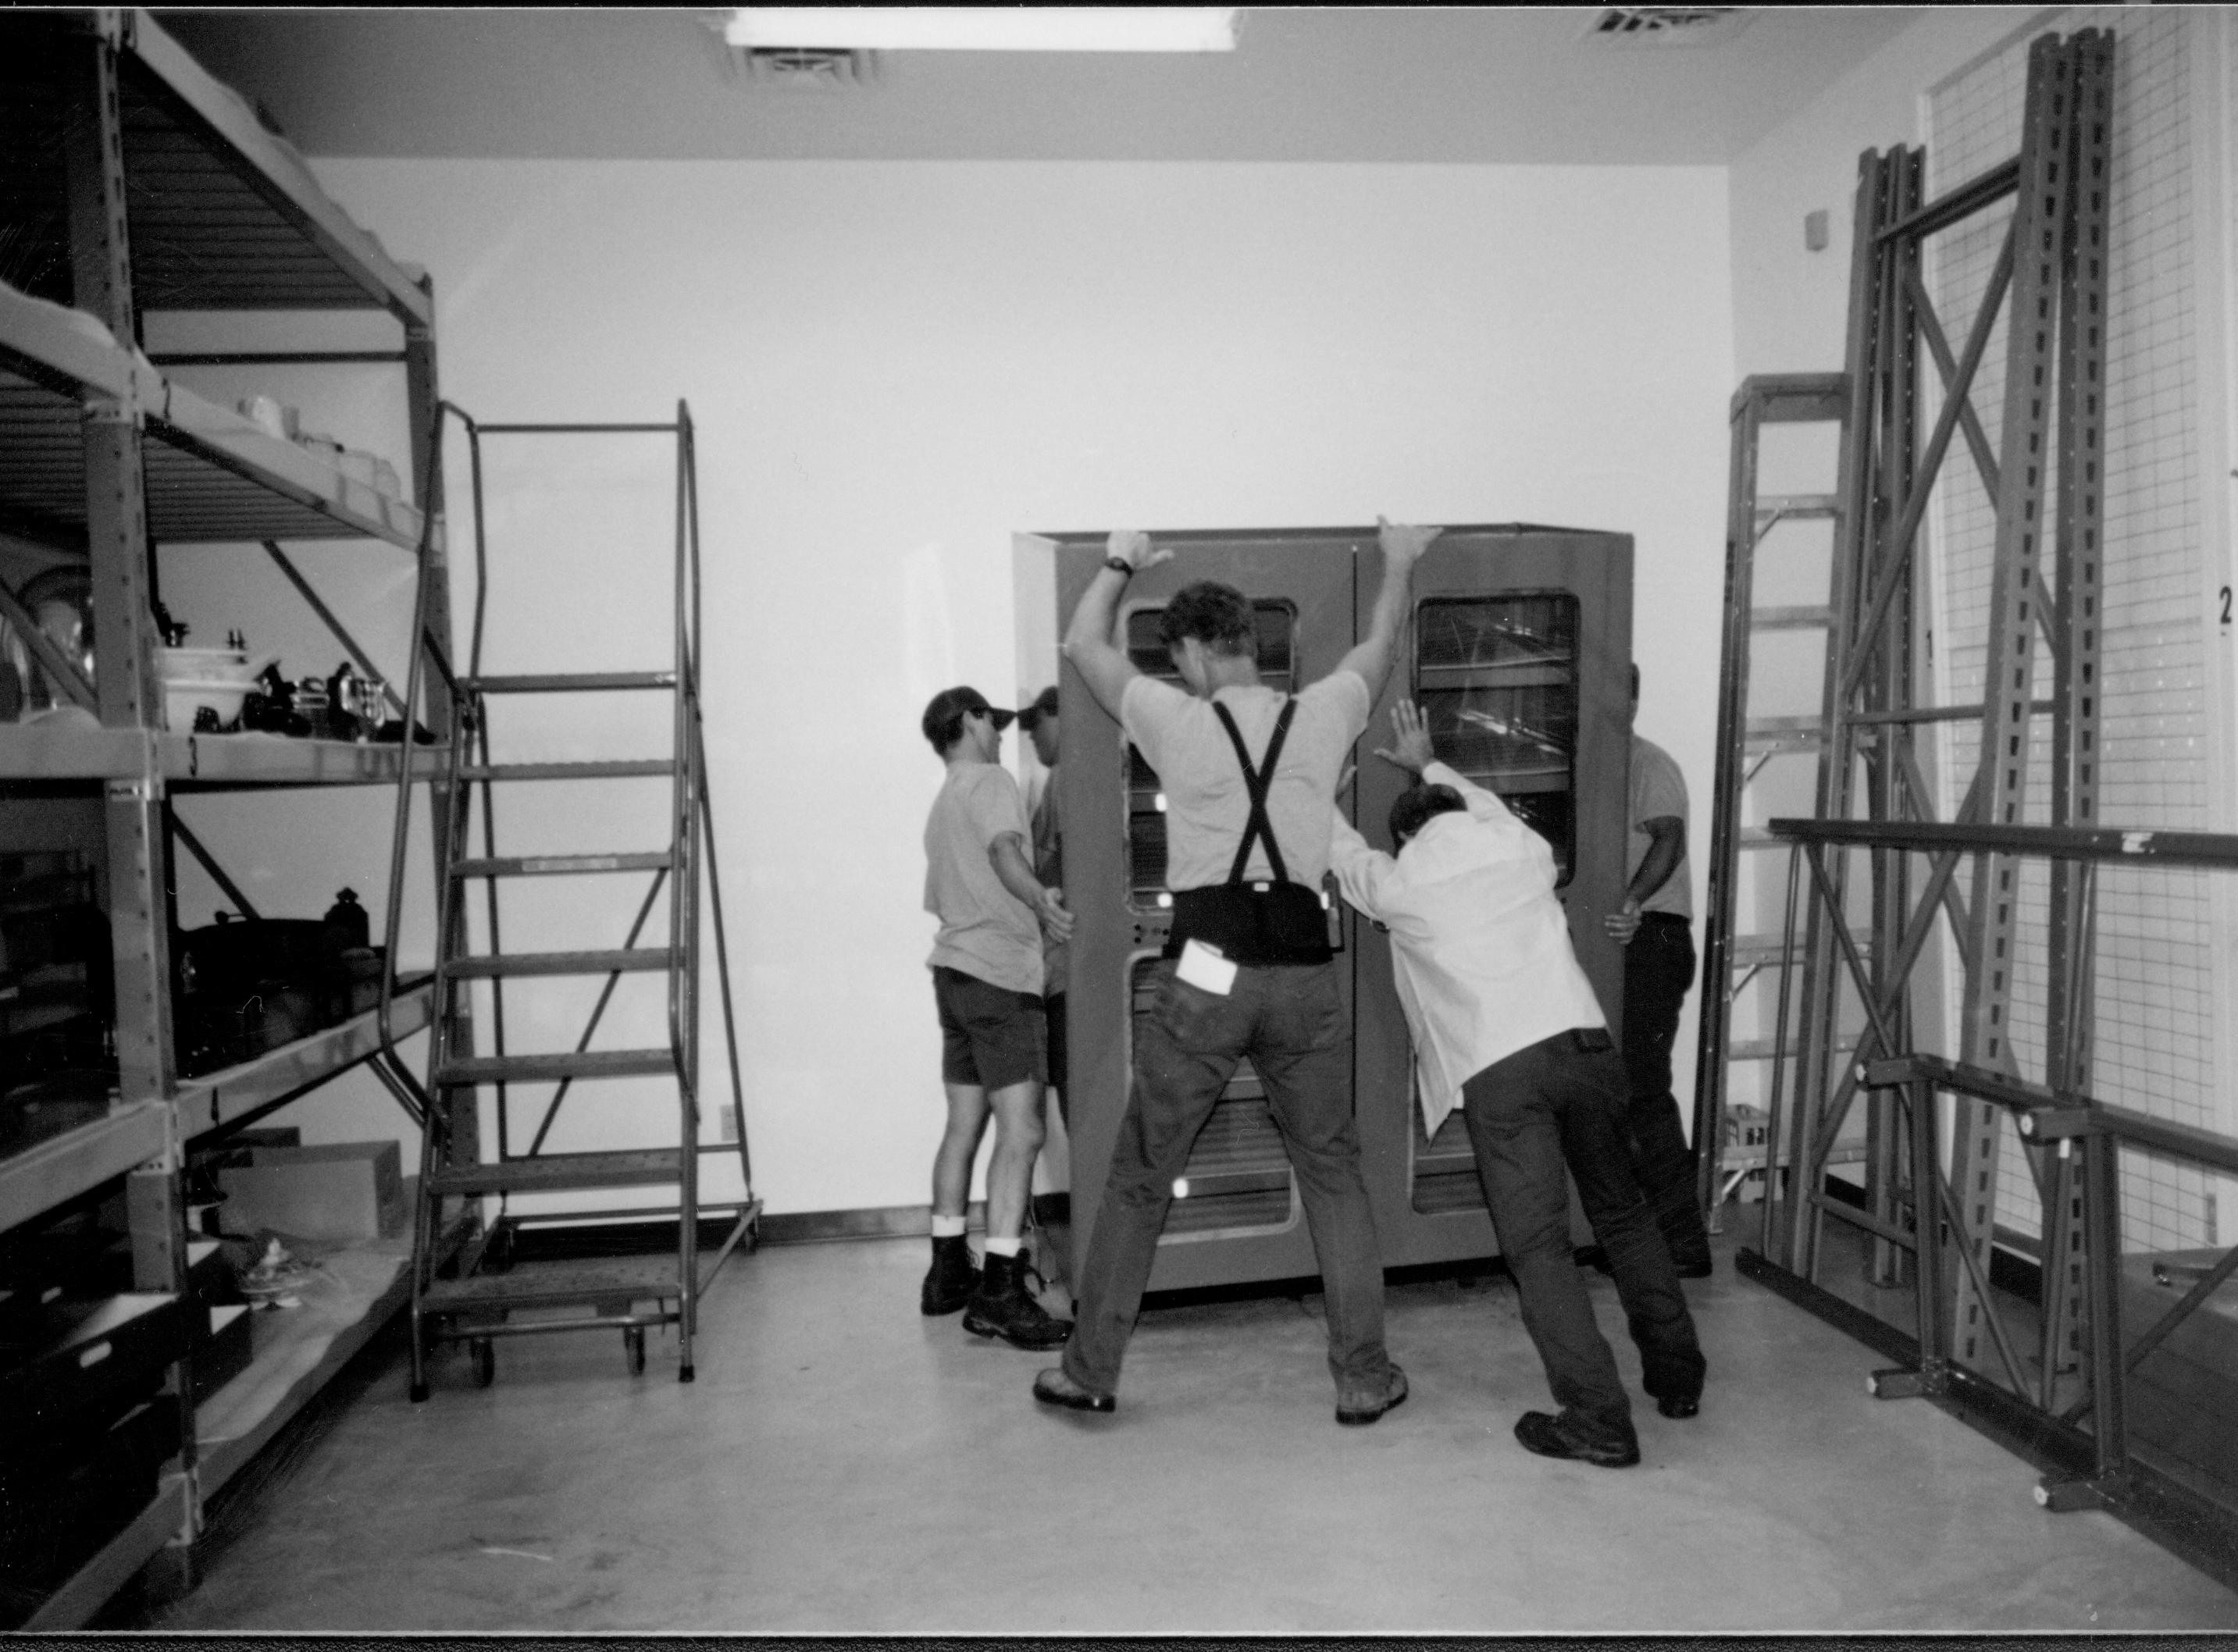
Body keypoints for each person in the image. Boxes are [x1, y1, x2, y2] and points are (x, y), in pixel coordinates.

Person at [1032, 519, 1437, 1426]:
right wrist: (1401, 560)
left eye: (1177, 658)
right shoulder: (1325, 709)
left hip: (1205, 978)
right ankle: (1363, 1378)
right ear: (1250, 648)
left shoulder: (1173, 720)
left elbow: (1082, 643)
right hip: (1302, 975)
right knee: (1333, 1173)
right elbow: (1382, 642)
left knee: (1141, 1176)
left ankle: (1090, 1370)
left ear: (1189, 651)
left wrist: (1120, 560)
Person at [1329, 698, 1706, 1466]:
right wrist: (1428, 759)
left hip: (1506, 1067)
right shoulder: (1518, 845)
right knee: (1625, 1215)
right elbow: (1487, 807)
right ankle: (1676, 1374)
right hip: (1585, 1044)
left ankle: (1598, 1419)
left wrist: (1318, 792)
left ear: (1406, 835)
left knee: (1538, 1247)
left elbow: (1342, 857)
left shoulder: (1404, 886)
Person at [918, 685, 1074, 1351]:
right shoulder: (989, 780)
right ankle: (1001, 1293)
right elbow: (1006, 853)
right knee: (1024, 1132)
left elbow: (945, 892)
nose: (1005, 733)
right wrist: (1042, 900)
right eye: (996, 721)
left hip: (953, 976)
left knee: (963, 1125)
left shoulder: (942, 799)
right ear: (972, 721)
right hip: (1000, 980)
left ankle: (948, 1271)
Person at [1601, 665, 1712, 1278]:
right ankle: (1649, 1241)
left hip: (1653, 940)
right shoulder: (1602, 767)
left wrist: (1632, 901)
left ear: (1637, 699)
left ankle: (1684, 1246)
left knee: (1643, 1092)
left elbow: (1669, 839)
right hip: (1630, 937)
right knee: (1622, 1093)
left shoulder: (1648, 763)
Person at [1018, 685, 1067, 1130]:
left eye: (1039, 723)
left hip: (1071, 977)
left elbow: (1051, 868)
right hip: (1060, 973)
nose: (1032, 736)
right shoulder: (1056, 782)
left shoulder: (1068, 779)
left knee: (1080, 1104)